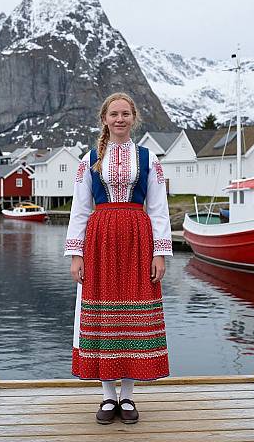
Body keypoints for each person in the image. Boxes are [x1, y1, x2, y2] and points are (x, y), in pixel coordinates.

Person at [64, 92, 172, 424]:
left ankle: (128, 396)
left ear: (134, 118)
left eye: (125, 114)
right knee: (103, 316)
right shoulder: (89, 159)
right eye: (114, 114)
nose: (120, 119)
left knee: (134, 315)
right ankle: (108, 397)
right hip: (99, 240)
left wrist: (160, 252)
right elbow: (80, 208)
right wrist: (75, 254)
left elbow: (158, 208)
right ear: (105, 119)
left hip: (139, 240)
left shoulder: (148, 158)